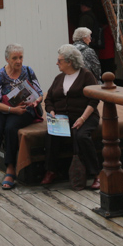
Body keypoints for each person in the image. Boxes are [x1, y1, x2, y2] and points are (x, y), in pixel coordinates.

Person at [41, 44, 101, 190]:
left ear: (69, 61)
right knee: (51, 135)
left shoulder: (86, 75)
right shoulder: (59, 78)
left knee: (81, 136)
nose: (57, 63)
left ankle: (96, 174)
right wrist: (51, 112)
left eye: (59, 60)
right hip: (63, 118)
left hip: (85, 115)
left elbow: (94, 99)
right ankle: (51, 171)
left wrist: (82, 118)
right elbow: (48, 99)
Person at [0, 44, 43, 190]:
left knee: (10, 128)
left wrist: (36, 100)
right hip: (4, 110)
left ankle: (10, 168)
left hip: (24, 110)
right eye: (14, 58)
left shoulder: (28, 71)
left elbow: (40, 93)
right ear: (7, 59)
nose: (18, 61)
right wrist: (12, 109)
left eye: (20, 57)